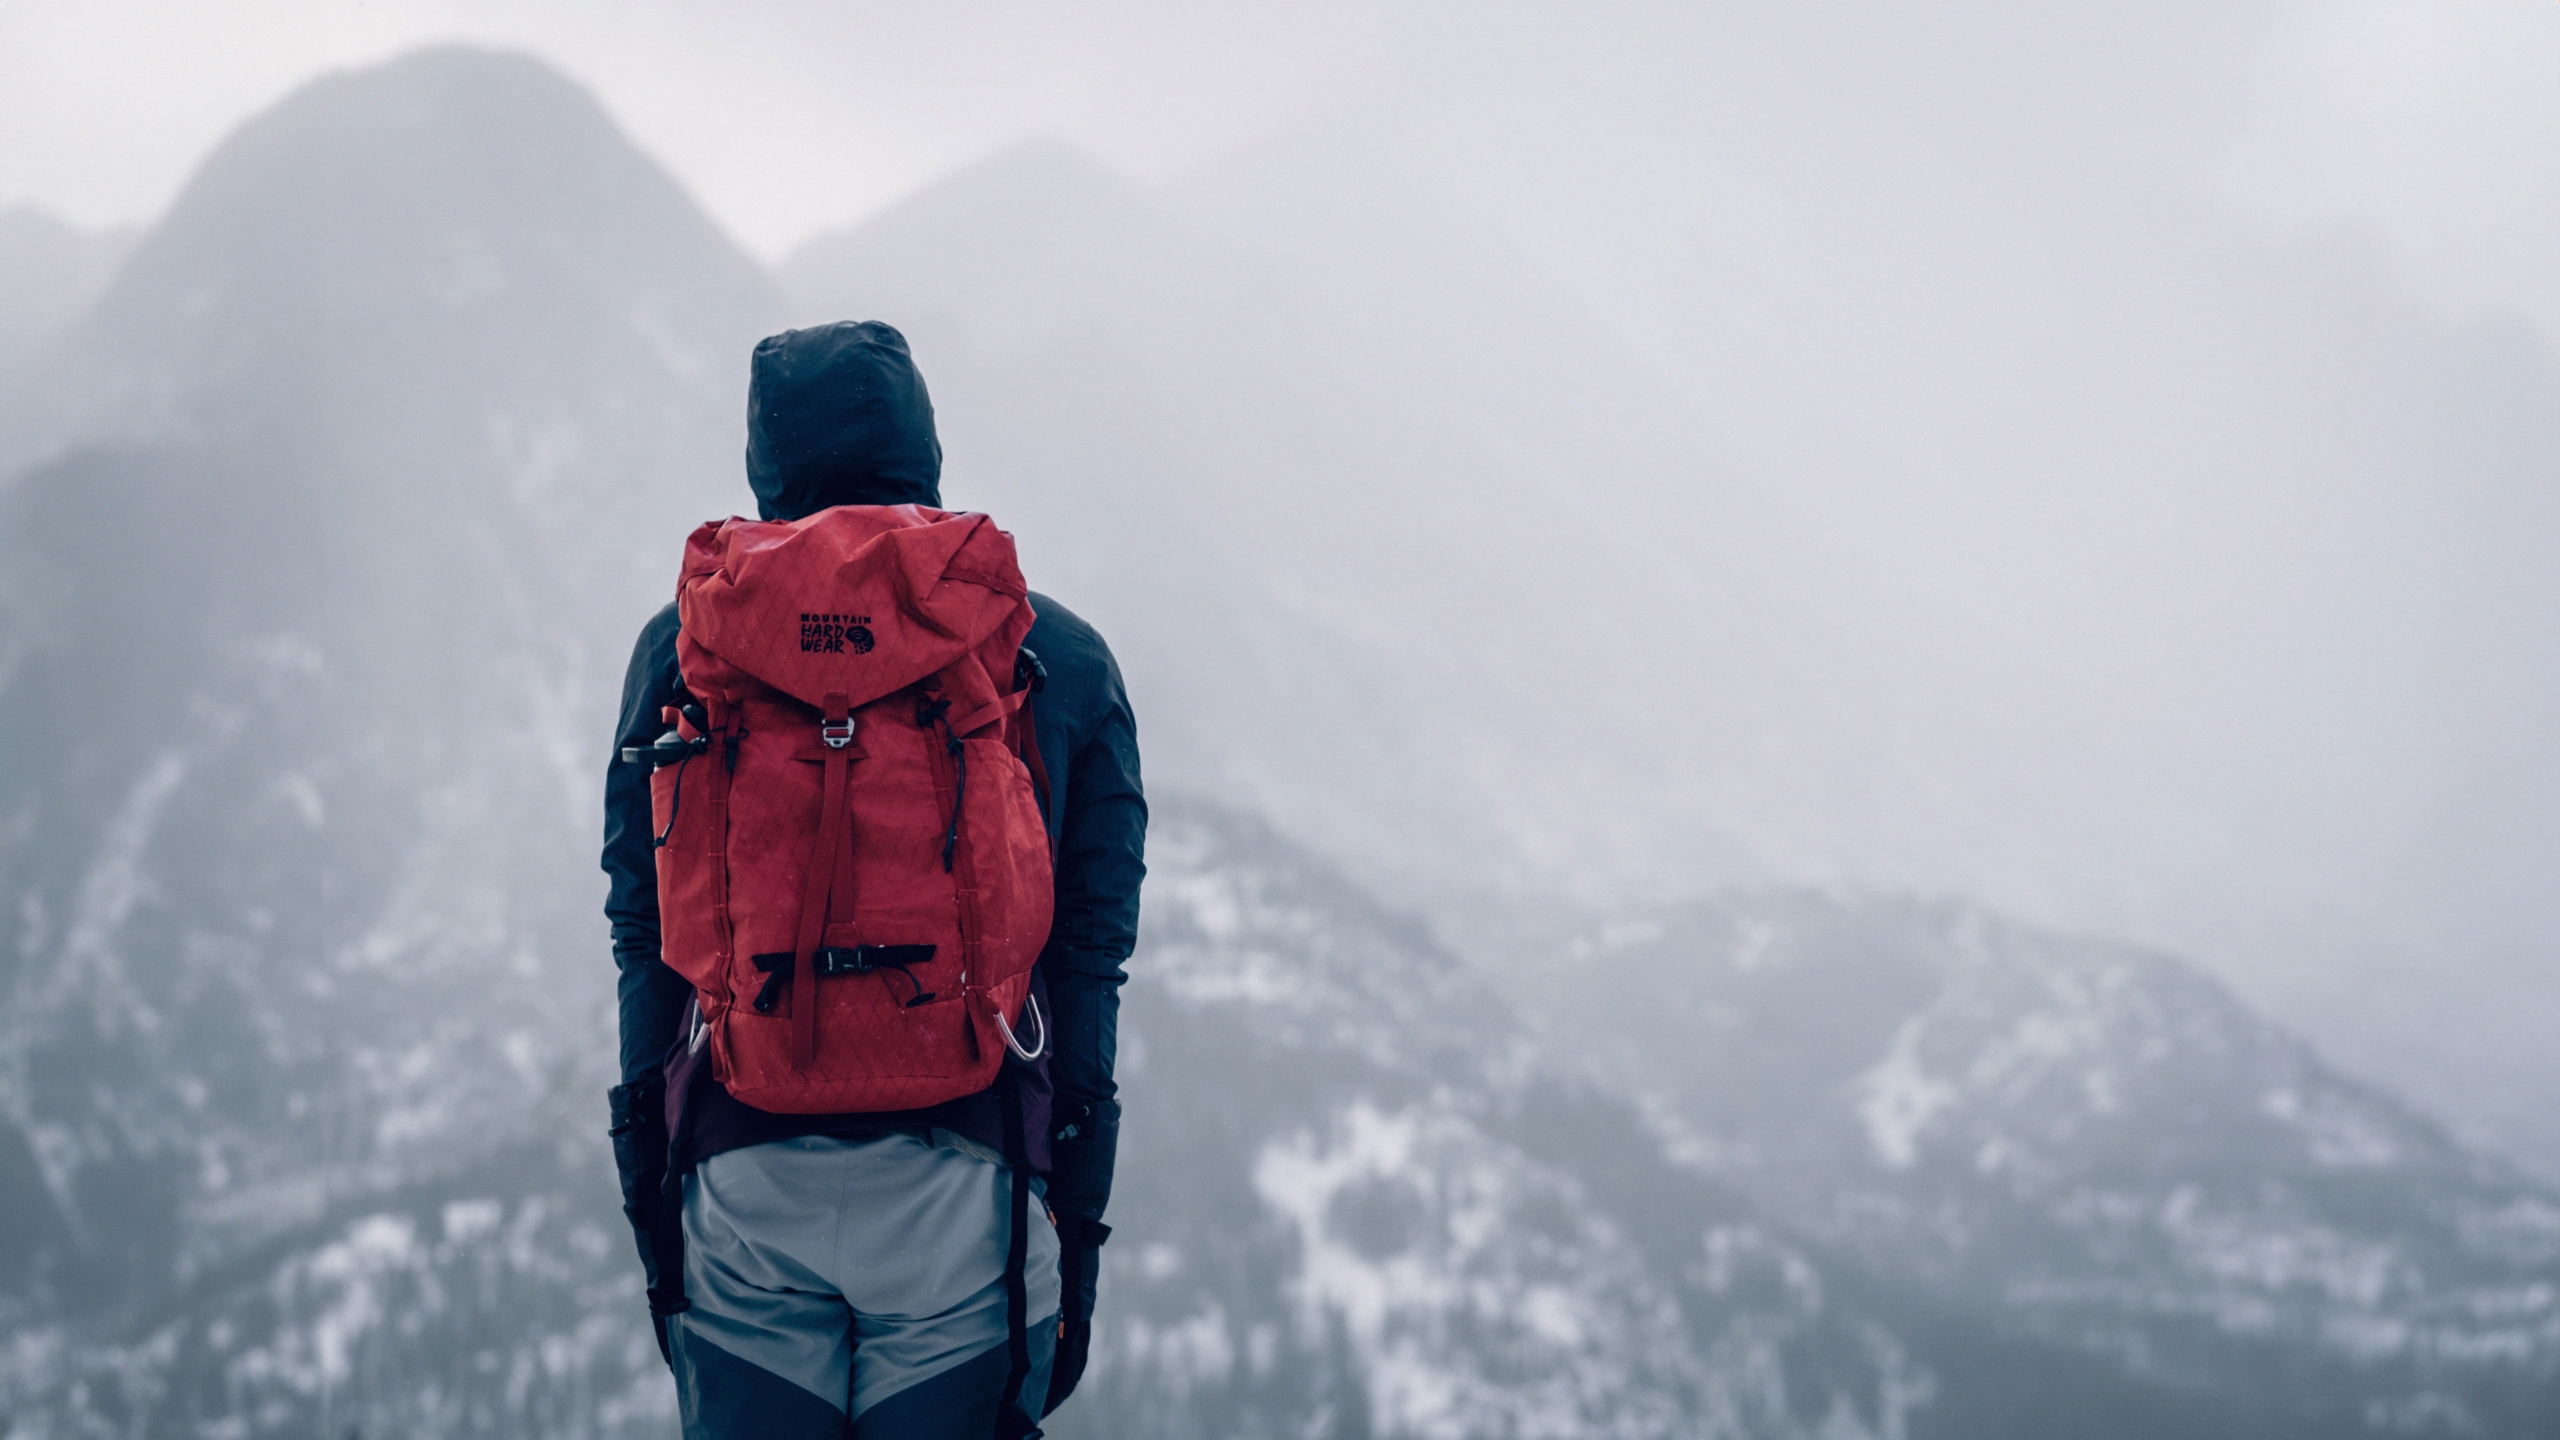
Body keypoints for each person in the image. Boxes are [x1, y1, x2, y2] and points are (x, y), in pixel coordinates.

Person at [604, 321, 1144, 1438]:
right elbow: (1090, 965)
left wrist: (659, 1213)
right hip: (971, 1190)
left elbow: (644, 946)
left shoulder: (686, 649)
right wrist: (1073, 1230)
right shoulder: (1051, 651)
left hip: (741, 1179)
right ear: (924, 450)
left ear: (766, 466)